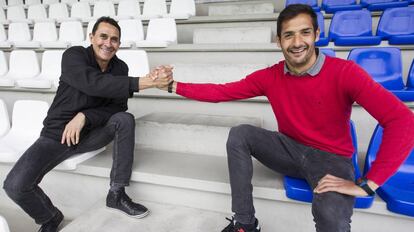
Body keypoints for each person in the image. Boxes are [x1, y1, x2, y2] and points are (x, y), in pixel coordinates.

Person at [157, 4, 414, 232]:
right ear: (279, 41)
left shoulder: (345, 72)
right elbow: (221, 91)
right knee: (240, 134)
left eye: (304, 32)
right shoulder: (270, 76)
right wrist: (172, 86)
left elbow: (403, 121)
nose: (297, 42)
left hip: (332, 158)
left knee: (331, 217)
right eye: (289, 35)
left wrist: (369, 184)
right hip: (289, 148)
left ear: (316, 35)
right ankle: (245, 223)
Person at [3, 17, 173, 232]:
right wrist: (146, 82)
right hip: (57, 136)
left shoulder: (120, 67)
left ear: (119, 44)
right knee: (14, 186)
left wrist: (85, 116)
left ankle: (116, 193)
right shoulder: (74, 56)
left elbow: (116, 108)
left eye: (114, 39)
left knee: (124, 119)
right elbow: (91, 83)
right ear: (91, 37)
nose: (108, 43)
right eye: (103, 36)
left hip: (93, 134)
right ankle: (50, 218)